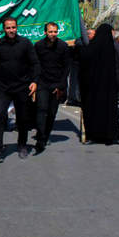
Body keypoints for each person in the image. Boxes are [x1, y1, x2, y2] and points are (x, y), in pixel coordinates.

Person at [0, 17, 40, 162]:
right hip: (2, 87)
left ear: (17, 27)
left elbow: (35, 63)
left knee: (23, 118)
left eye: (13, 27)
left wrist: (34, 81)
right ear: (4, 29)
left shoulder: (25, 43)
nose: (11, 30)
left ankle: (22, 145)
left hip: (22, 87)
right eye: (8, 28)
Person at [79, 23, 119, 144]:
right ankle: (108, 134)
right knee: (107, 110)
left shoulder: (91, 48)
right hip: (108, 88)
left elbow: (83, 63)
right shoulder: (111, 49)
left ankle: (94, 134)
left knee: (93, 110)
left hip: (93, 87)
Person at [33, 22, 70, 153]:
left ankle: (45, 135)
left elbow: (66, 67)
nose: (53, 34)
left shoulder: (63, 46)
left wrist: (61, 85)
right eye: (50, 32)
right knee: (41, 109)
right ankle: (40, 138)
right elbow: (35, 64)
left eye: (55, 32)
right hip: (42, 83)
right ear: (45, 32)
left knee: (52, 113)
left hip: (56, 84)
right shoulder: (38, 46)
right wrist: (34, 81)